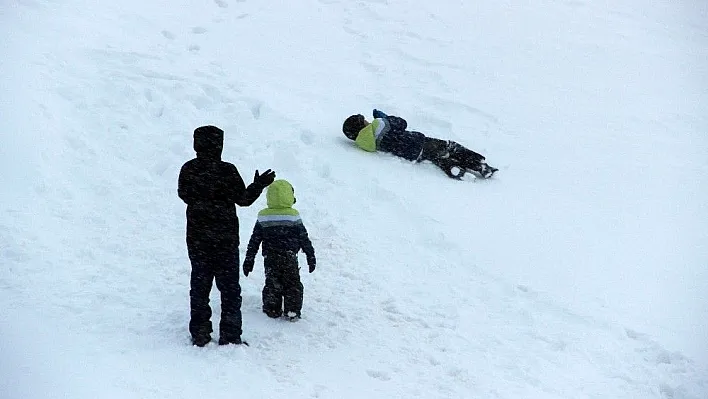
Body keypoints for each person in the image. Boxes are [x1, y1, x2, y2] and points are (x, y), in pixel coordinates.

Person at [178, 125, 275, 347]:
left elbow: (183, 194)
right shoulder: (227, 171)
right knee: (230, 290)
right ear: (220, 146)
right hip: (226, 240)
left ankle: (200, 333)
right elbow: (243, 199)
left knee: (200, 288)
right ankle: (230, 335)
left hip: (198, 239)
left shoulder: (188, 169)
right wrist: (258, 185)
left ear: (196, 144)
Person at [342, 109, 498, 179]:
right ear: (363, 124)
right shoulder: (379, 125)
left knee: (436, 157)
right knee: (449, 147)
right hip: (417, 141)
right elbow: (402, 123)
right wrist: (386, 118)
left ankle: (452, 167)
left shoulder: (366, 144)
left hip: (408, 153)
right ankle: (480, 165)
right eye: (364, 120)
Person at [242, 179, 316, 321]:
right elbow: (303, 237)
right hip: (289, 256)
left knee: (272, 282)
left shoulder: (264, 216)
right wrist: (310, 255)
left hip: (271, 257)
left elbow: (255, 240)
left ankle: (272, 308)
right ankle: (292, 309)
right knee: (292, 283)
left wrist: (249, 259)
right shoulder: (293, 215)